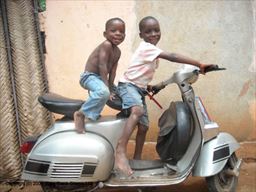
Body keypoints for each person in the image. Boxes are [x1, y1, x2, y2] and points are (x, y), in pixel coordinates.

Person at [115, 16, 213, 176]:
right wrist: (199, 64)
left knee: (144, 126)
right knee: (138, 111)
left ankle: (137, 159)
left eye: (156, 30)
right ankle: (120, 150)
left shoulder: (151, 51)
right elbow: (173, 56)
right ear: (141, 35)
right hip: (128, 86)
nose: (153, 34)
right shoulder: (147, 48)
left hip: (138, 88)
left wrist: (155, 87)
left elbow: (140, 72)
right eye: (148, 31)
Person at [74, 17, 125, 133]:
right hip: (89, 77)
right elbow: (102, 66)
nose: (118, 34)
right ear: (105, 34)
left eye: (121, 32)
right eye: (113, 31)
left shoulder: (118, 52)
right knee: (104, 92)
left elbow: (113, 71)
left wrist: (112, 88)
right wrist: (107, 88)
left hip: (101, 78)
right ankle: (81, 114)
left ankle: (96, 115)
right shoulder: (106, 45)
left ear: (125, 36)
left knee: (123, 91)